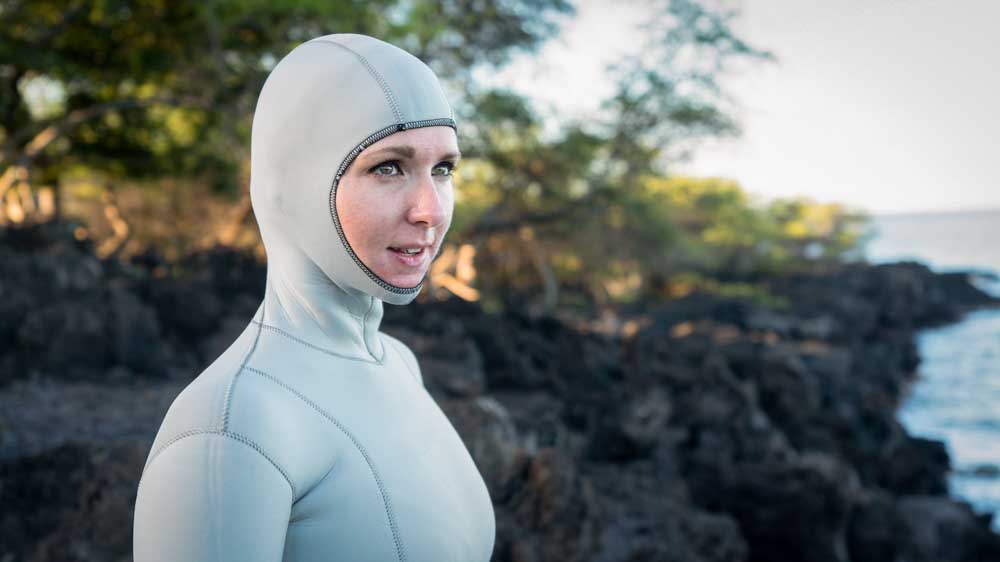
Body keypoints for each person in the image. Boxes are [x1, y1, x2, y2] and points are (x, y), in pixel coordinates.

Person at [132, 33, 496, 561]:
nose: (430, 210)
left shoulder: (399, 364)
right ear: (297, 182)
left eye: (442, 169)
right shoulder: (229, 429)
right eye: (387, 167)